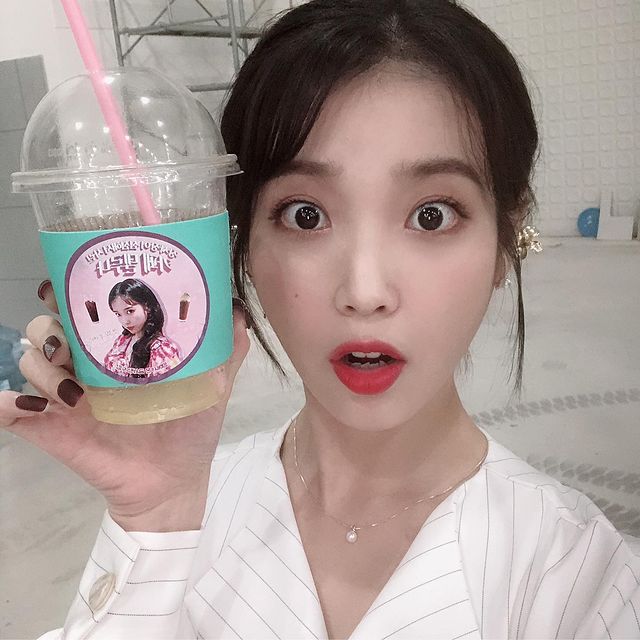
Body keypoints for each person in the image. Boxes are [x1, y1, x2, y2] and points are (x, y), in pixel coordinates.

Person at [1, 1, 638, 638]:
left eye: (432, 215)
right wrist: (154, 518)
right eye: (305, 215)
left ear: (505, 241)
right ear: (241, 243)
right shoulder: (189, 502)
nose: (364, 292)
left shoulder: (575, 575)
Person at [104, 278, 182, 378]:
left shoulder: (161, 348)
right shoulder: (123, 340)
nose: (125, 321)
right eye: (118, 314)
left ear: (147, 306)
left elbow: (168, 383)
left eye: (130, 311)